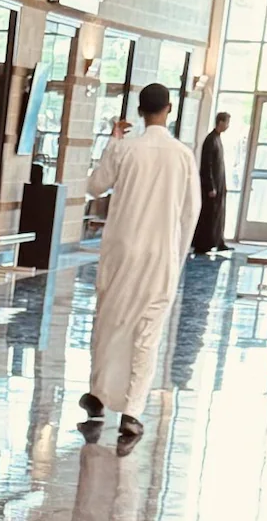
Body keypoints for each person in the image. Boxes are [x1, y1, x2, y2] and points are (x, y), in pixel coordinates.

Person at [80, 81, 198, 444]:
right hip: (159, 253)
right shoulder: (182, 155)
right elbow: (191, 211)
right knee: (147, 332)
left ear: (139, 111)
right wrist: (177, 255)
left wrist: (113, 140)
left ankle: (98, 395)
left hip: (121, 250)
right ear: (170, 110)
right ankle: (132, 410)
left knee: (109, 322)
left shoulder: (126, 149)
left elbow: (94, 186)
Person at [192, 111, 231, 257]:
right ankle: (204, 243)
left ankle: (217, 241)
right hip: (212, 186)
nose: (227, 126)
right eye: (227, 122)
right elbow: (207, 165)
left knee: (218, 214)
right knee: (209, 215)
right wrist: (211, 186)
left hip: (219, 183)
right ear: (220, 122)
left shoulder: (217, 139)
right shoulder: (210, 140)